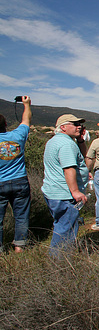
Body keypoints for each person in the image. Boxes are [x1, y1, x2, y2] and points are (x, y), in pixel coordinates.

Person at [42, 114, 90, 256]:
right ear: (63, 127)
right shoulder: (66, 144)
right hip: (64, 194)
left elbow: (82, 158)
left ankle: (60, 256)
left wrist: (81, 140)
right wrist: (75, 191)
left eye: (79, 124)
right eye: (74, 124)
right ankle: (60, 262)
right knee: (65, 229)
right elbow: (68, 168)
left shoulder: (55, 141)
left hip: (54, 192)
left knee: (62, 225)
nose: (79, 126)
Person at [0, 95, 32, 253]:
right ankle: (20, 246)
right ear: (6, 124)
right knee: (21, 216)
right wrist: (26, 105)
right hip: (19, 181)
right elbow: (26, 121)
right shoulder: (17, 136)